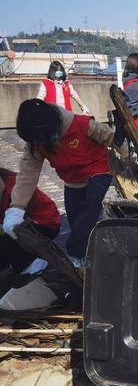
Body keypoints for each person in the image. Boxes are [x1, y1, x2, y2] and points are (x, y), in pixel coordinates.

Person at [3, 99, 116, 268]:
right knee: (75, 220)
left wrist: (128, 157)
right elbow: (27, 174)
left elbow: (110, 136)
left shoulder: (81, 124)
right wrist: (16, 208)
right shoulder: (36, 142)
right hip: (73, 179)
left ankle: (75, 252)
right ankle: (92, 253)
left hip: (98, 170)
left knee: (90, 207)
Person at [1, 168, 61, 273]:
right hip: (17, 226)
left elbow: (16, 222)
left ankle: (38, 264)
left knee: (5, 249)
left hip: (43, 224)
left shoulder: (16, 186)